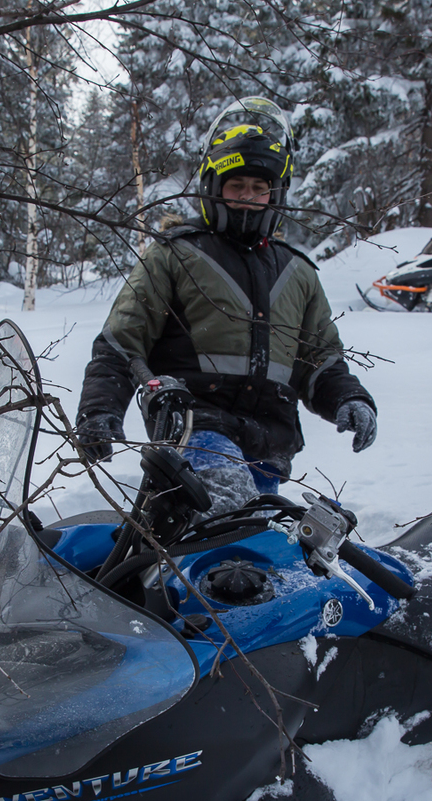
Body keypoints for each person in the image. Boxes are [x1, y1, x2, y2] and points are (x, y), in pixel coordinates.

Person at [74, 100, 377, 517]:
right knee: (230, 521)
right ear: (214, 188)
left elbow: (320, 360)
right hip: (195, 426)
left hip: (269, 441)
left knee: (250, 549)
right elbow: (120, 343)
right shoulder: (174, 256)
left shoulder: (298, 272)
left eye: (259, 188)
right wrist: (100, 410)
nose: (248, 198)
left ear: (277, 193)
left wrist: (349, 398)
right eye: (237, 187)